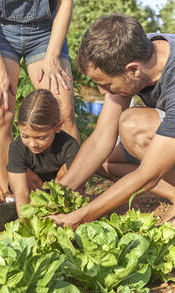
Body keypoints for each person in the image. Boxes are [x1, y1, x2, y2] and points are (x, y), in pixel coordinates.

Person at [50, 12, 175, 229]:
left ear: (133, 70)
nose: (101, 91)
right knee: (103, 162)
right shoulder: (134, 53)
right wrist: (60, 192)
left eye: (106, 85)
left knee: (133, 126)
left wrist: (81, 216)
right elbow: (100, 140)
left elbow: (148, 175)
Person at [0, 0, 79, 199]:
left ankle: (68, 190)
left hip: (46, 32)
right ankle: (9, 194)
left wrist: (52, 56)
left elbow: (65, 3)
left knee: (63, 112)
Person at [6, 89, 80, 216]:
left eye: (41, 138)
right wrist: (26, 223)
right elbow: (21, 193)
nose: (33, 144)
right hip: (30, 191)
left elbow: (77, 188)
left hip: (59, 190)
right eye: (25, 136)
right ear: (18, 127)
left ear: (58, 127)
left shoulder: (69, 146)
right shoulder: (17, 148)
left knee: (71, 169)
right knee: (16, 175)